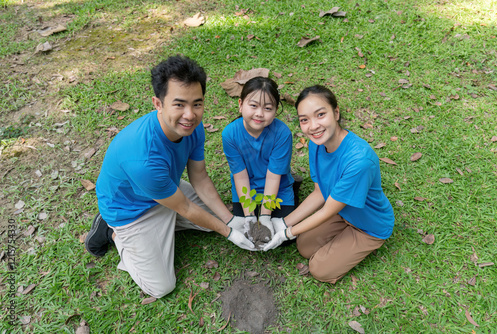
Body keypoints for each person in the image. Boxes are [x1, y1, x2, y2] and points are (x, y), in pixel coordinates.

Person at [85, 55, 255, 299]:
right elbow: (185, 206)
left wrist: (230, 221)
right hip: (133, 210)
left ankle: (165, 227)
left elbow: (200, 177)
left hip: (167, 190)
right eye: (179, 104)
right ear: (158, 103)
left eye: (197, 104)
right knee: (162, 287)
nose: (189, 114)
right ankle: (111, 231)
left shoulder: (191, 128)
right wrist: (230, 233)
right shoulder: (143, 158)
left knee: (214, 221)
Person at [264, 85, 394, 284]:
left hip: (369, 226)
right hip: (341, 212)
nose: (313, 126)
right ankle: (342, 234)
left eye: (320, 115)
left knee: (318, 269)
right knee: (304, 246)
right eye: (304, 120)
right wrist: (283, 222)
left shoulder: (359, 161)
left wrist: (286, 232)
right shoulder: (317, 144)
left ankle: (366, 242)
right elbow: (319, 193)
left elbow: (326, 212)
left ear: (336, 112)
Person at [221, 77, 299, 237]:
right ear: (241, 105)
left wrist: (264, 217)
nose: (259, 114)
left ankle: (293, 187)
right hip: (246, 188)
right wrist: (249, 216)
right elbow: (240, 177)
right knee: (244, 232)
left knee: (282, 235)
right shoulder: (229, 134)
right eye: (253, 106)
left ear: (276, 110)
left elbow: (273, 178)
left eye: (268, 108)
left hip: (277, 187)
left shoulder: (282, 134)